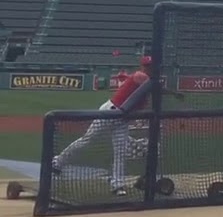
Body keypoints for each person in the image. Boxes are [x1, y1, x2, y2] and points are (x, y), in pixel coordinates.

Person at [50, 55, 184, 196]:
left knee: (120, 152)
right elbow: (155, 87)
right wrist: (174, 93)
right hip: (110, 112)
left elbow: (147, 95)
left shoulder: (147, 83)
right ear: (143, 66)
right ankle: (57, 162)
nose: (149, 68)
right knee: (87, 140)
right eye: (147, 66)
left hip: (122, 119)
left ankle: (117, 185)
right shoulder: (140, 76)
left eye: (151, 66)